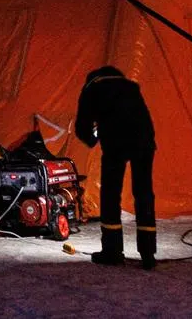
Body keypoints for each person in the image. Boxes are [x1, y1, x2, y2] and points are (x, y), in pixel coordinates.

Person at [75, 64, 157, 270]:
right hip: (144, 141)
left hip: (116, 142)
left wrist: (93, 137)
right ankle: (148, 253)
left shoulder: (92, 88)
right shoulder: (131, 87)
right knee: (144, 193)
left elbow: (82, 127)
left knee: (111, 195)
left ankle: (112, 251)